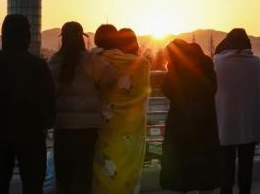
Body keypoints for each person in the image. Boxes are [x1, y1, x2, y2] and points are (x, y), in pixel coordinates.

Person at [0, 14, 56, 194]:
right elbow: (49, 100)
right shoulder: (39, 66)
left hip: (0, 133)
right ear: (27, 35)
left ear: (4, 35)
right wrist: (45, 123)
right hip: (32, 134)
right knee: (33, 184)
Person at [48, 22, 116, 194]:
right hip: (87, 128)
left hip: (62, 126)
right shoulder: (92, 60)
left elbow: (48, 91)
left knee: (64, 175)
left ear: (62, 39)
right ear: (82, 38)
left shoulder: (54, 62)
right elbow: (110, 78)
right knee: (83, 175)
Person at [92, 28, 150, 194]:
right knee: (126, 170)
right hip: (131, 130)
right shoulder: (142, 65)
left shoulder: (96, 60)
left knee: (104, 166)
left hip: (104, 127)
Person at [160, 39, 220, 194]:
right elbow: (213, 88)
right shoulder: (206, 63)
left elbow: (167, 89)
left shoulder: (176, 67)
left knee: (181, 168)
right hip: (206, 123)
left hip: (181, 124)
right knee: (205, 169)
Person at [214, 29, 260, 194]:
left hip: (226, 123)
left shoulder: (218, 62)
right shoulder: (255, 63)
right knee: (247, 165)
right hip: (249, 123)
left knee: (226, 165)